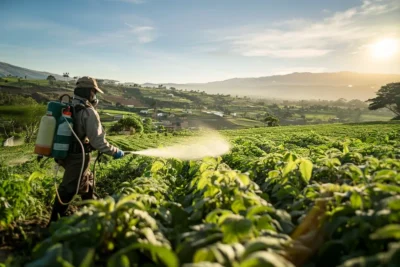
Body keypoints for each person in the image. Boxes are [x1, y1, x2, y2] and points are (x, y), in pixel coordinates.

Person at [47, 76, 124, 225]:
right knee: (68, 189)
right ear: (89, 92)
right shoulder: (88, 112)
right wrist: (115, 151)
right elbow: (98, 141)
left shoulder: (68, 104)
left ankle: (93, 215)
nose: (95, 96)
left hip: (65, 153)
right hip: (78, 156)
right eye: (94, 92)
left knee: (87, 183)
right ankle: (53, 223)